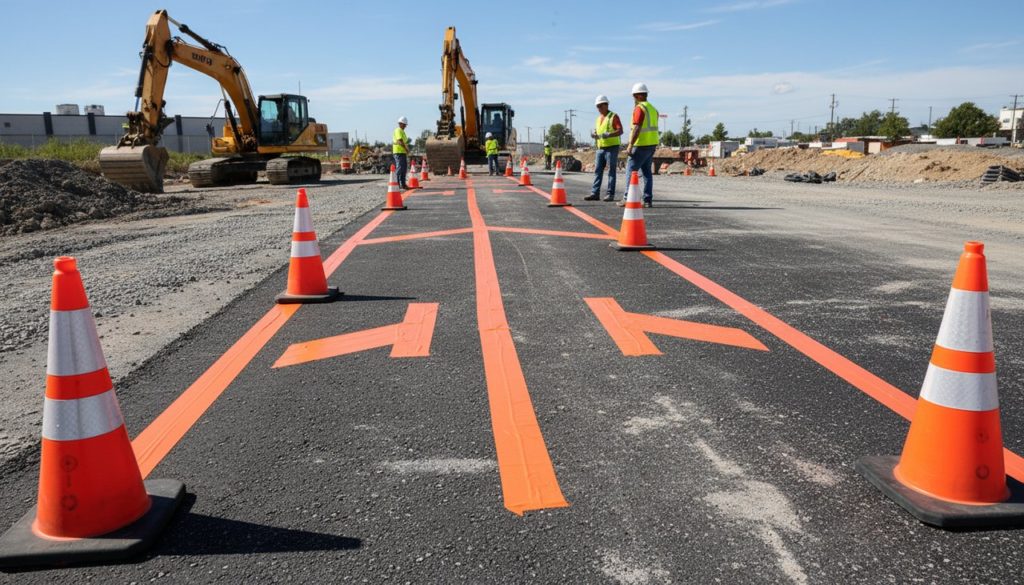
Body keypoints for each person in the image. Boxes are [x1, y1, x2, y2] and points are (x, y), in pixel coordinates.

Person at [618, 83, 659, 208]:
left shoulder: (639, 108)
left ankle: (627, 198)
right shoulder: (653, 108)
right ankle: (647, 200)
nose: (633, 98)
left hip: (640, 144)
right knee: (647, 172)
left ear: (637, 95)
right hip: (651, 144)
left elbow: (637, 127)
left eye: (634, 96)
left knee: (631, 171)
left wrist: (630, 144)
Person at [584, 95, 624, 201]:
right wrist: (595, 135)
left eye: (600, 106)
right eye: (597, 106)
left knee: (611, 171)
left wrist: (609, 134)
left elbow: (620, 131)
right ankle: (595, 193)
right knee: (597, 171)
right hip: (600, 148)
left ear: (606, 105)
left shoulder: (613, 116)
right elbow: (599, 132)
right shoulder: (598, 119)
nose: (599, 108)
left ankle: (610, 194)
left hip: (612, 147)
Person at [393, 116, 411, 189]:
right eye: (404, 124)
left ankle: (403, 184)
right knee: (400, 168)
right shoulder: (398, 130)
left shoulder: (402, 131)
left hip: (402, 152)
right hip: (398, 152)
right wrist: (406, 149)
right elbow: (400, 141)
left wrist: (407, 149)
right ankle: (397, 184)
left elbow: (404, 142)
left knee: (404, 169)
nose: (405, 126)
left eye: (405, 125)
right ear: (400, 123)